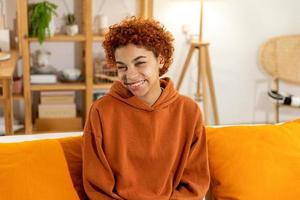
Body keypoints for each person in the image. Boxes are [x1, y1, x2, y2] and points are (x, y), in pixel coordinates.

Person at [82, 17, 210, 200]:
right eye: (122, 67)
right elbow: (97, 187)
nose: (130, 75)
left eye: (140, 63)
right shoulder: (101, 112)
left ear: (160, 60)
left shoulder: (189, 111)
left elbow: (194, 183)